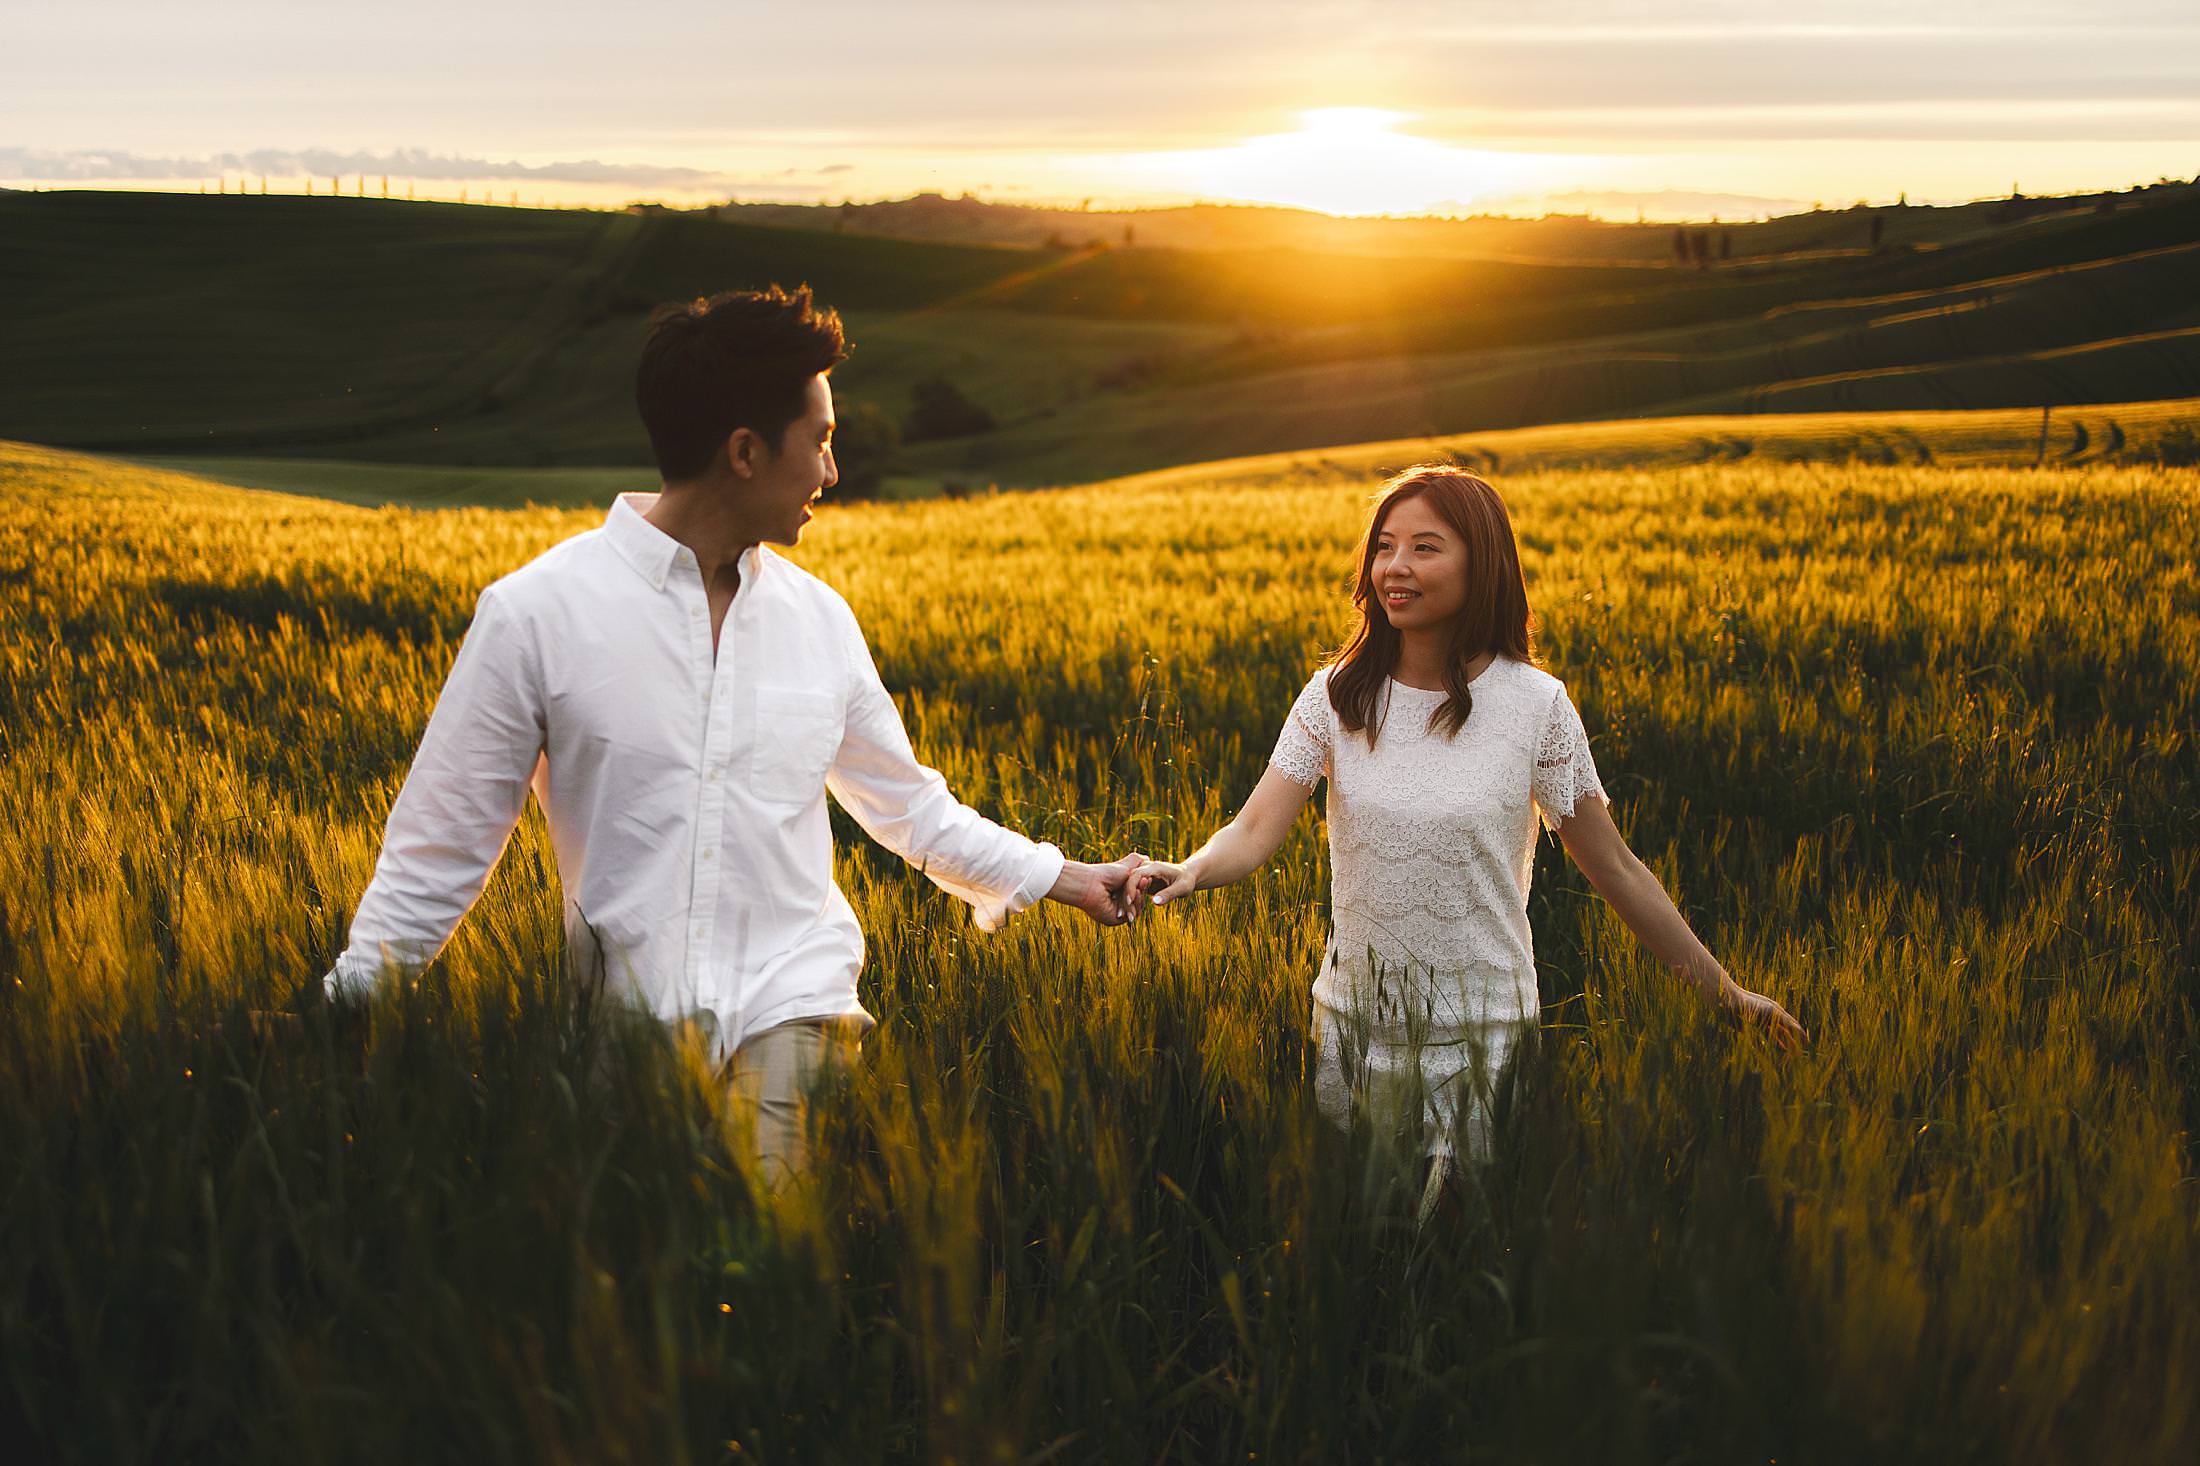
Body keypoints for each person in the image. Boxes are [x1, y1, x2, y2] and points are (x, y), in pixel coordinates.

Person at [315, 286, 1146, 1183]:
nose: (832, 471)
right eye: (821, 441)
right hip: (622, 1039)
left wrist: (1066, 878)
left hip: (797, 1002)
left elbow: (909, 807)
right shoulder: (534, 616)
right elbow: (442, 843)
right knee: (658, 1289)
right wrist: (352, 1003)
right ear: (744, 452)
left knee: (762, 1227)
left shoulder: (820, 623)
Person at [1132, 465, 1804, 1190]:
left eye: (1426, 547)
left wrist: (1726, 994)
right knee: (1365, 1257)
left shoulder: (1535, 706)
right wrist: (1191, 870)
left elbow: (1615, 868)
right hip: (1356, 1029)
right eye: (1385, 546)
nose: (1396, 566)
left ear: (1481, 563)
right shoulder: (1336, 697)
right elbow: (1254, 828)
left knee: (1462, 1260)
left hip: (1485, 1037)